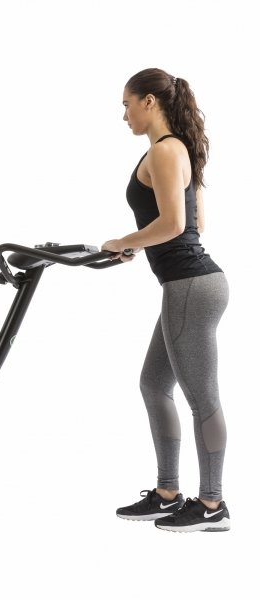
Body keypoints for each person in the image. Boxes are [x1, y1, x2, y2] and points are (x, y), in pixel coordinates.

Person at [102, 68, 230, 532]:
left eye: (127, 104)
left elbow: (175, 225)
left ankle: (213, 504)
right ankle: (167, 493)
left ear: (149, 101)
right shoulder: (178, 150)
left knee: (201, 397)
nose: (124, 115)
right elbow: (194, 223)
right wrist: (139, 244)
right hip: (191, 285)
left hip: (190, 286)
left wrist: (124, 240)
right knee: (154, 385)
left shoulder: (165, 150)